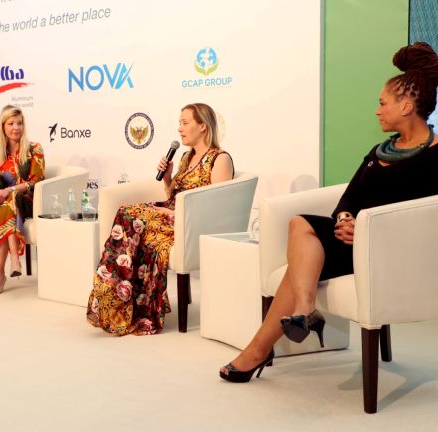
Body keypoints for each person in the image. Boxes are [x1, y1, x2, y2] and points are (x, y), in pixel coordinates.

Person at [219, 42, 438, 383]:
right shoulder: (379, 151)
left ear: (407, 106)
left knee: (299, 265)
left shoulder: (435, 156)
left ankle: (260, 349)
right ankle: (304, 308)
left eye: (383, 103)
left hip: (388, 253)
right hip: (353, 245)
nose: (377, 111)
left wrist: (365, 230)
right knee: (300, 223)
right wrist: (345, 219)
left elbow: (424, 220)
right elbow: (349, 199)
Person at [87, 103, 234, 336]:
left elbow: (218, 208)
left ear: (203, 126)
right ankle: (115, 297)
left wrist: (174, 214)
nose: (179, 129)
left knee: (131, 216)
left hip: (188, 224)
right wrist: (167, 178)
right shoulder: (186, 156)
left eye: (185, 123)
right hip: (169, 215)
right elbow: (172, 195)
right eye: (179, 123)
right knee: (126, 212)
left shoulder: (220, 159)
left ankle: (120, 298)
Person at [0, 105, 45, 295]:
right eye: (11, 123)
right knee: (8, 204)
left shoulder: (35, 149)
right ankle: (11, 264)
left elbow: (36, 181)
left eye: (19, 123)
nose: (16, 127)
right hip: (10, 207)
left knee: (12, 198)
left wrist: (10, 189)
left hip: (31, 202)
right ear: (3, 127)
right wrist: (0, 193)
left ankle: (1, 272)